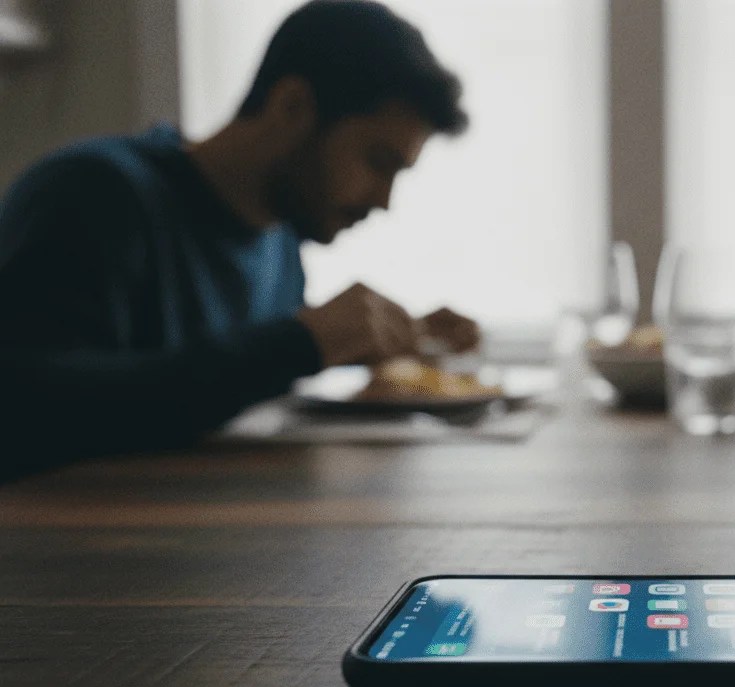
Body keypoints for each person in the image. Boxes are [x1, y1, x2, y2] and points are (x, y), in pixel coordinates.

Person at [0, 0, 479, 481]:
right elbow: (26, 407)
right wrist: (302, 342)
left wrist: (372, 342)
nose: (384, 200)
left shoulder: (279, 244)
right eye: (378, 161)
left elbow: (223, 371)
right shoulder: (95, 194)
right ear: (293, 106)